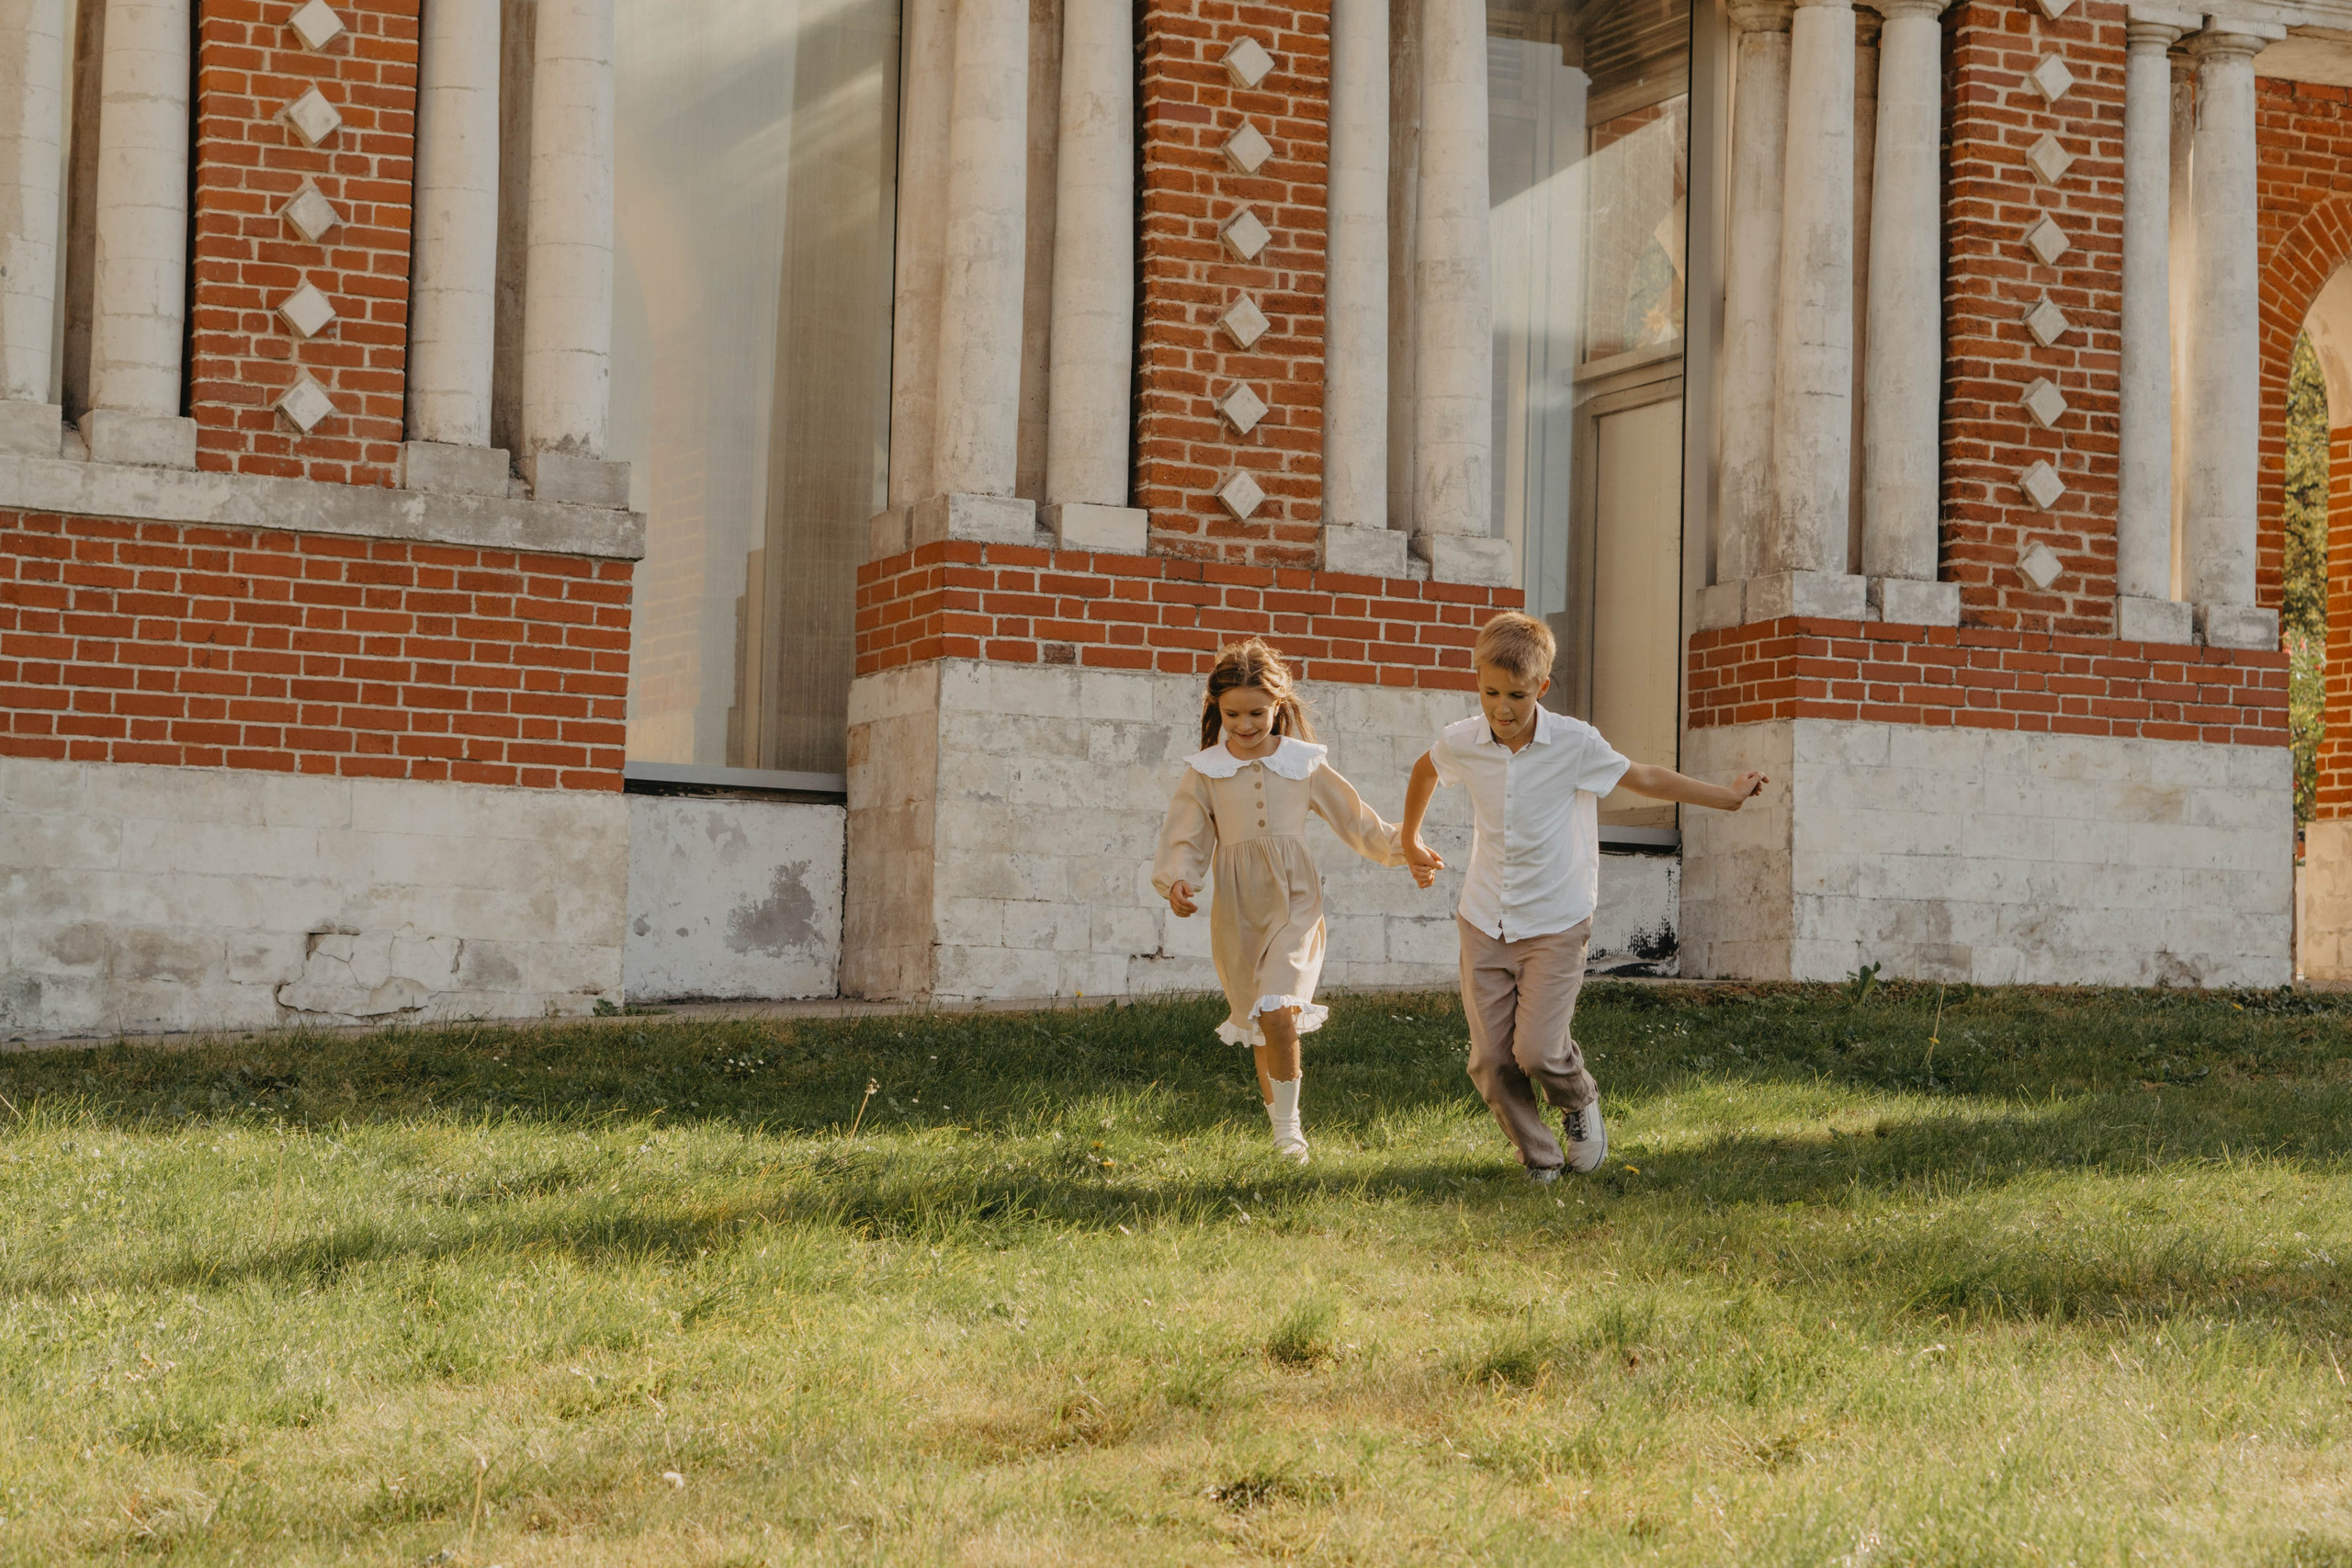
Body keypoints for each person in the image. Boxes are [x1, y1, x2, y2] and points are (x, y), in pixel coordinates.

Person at [1400, 612, 1767, 1180]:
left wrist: (1726, 797)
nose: (1502, 708)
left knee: (1539, 1051)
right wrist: (1410, 839)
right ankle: (1540, 1158)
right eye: (1490, 692)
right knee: (1492, 1063)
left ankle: (1579, 1102)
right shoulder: (1463, 741)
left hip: (1556, 919)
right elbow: (1425, 771)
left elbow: (1643, 777)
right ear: (1476, 681)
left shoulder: (1574, 743)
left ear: (1541, 688)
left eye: (1517, 695)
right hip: (1484, 918)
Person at [1153, 638, 1430, 1165]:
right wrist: (1177, 881)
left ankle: (1290, 1136)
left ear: (1277, 706)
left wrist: (1406, 848)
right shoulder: (1205, 771)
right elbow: (1186, 835)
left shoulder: (1303, 765)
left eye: (1256, 712)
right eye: (1232, 713)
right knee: (1261, 1020)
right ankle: (1280, 1131)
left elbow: (1356, 821)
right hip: (1238, 913)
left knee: (1280, 1008)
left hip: (1295, 905)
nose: (1245, 724)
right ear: (1217, 710)